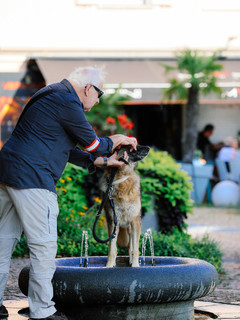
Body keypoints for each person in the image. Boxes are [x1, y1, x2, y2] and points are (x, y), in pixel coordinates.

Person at [0, 67, 137, 320]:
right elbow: (94, 144)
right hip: (33, 179)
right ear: (88, 88)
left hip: (7, 173)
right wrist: (117, 138)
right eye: (99, 95)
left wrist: (103, 162)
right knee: (43, 246)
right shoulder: (67, 100)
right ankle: (42, 311)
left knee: (2, 242)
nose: (97, 102)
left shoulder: (49, 94)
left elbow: (61, 146)